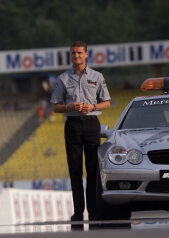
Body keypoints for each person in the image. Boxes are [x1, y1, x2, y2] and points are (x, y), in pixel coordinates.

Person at [50, 41, 111, 221]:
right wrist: (69, 106)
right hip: (73, 125)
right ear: (71, 55)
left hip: (92, 124)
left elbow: (106, 102)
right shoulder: (63, 78)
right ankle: (78, 212)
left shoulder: (97, 76)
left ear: (86, 54)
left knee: (93, 170)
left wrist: (92, 107)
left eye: (79, 53)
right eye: (73, 53)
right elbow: (55, 107)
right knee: (75, 169)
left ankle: (93, 211)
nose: (76, 56)